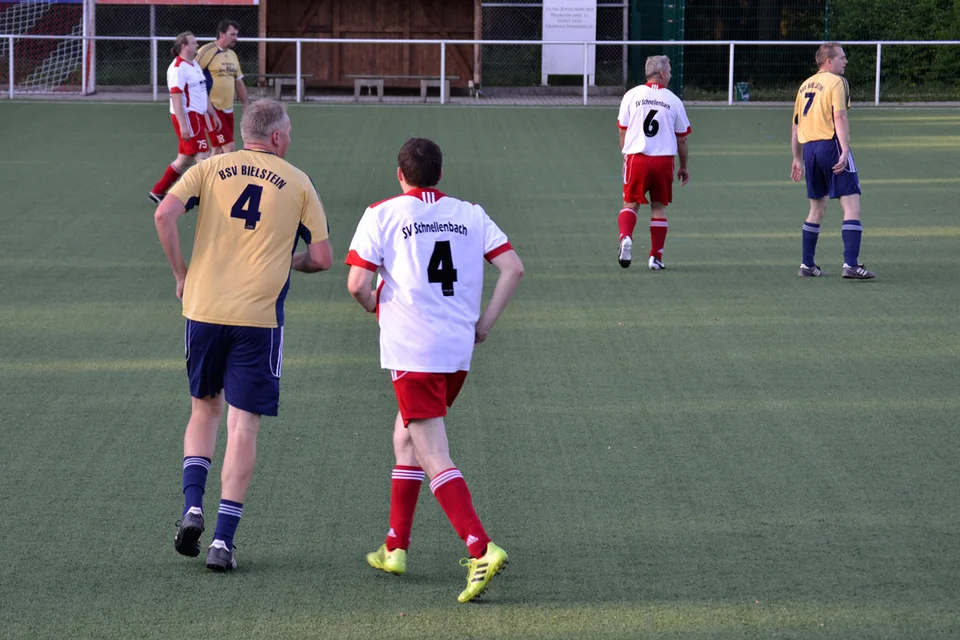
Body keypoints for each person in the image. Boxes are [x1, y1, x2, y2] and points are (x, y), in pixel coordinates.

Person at [154, 99, 333, 572]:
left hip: (204, 308)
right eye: (288, 131)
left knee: (203, 410)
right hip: (258, 318)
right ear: (275, 137)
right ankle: (222, 543)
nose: (290, 138)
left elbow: (163, 215)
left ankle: (192, 505)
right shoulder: (298, 182)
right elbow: (323, 257)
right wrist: (286, 261)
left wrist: (181, 274)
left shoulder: (211, 167)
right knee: (243, 425)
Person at [345, 138, 524, 603]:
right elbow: (514, 269)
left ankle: (481, 547)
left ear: (399, 174)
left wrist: (373, 307)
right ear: (439, 175)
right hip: (456, 350)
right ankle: (395, 547)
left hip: (413, 351)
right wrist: (484, 324)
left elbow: (357, 284)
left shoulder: (382, 213)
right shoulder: (470, 213)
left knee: (432, 451)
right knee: (406, 436)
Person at [791, 42, 875, 279]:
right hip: (831, 144)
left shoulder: (804, 85)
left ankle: (807, 264)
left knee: (816, 207)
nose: (845, 61)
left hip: (809, 149)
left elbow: (796, 125)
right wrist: (845, 149)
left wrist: (797, 157)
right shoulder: (837, 82)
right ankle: (851, 264)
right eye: (842, 57)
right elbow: (839, 115)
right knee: (851, 204)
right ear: (828, 61)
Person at [615, 54, 691, 270]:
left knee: (630, 204)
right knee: (658, 208)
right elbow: (682, 139)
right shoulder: (673, 100)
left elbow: (623, 131)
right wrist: (684, 166)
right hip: (663, 162)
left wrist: (625, 156)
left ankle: (626, 237)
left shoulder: (632, 95)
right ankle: (655, 257)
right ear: (663, 73)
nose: (672, 75)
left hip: (637, 159)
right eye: (670, 71)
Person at [148, 32, 221, 204]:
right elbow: (175, 97)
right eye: (194, 43)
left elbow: (202, 93)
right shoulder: (177, 68)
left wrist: (213, 114)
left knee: (185, 159)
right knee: (204, 157)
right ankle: (206, 196)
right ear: (184, 46)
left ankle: (158, 191)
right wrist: (183, 125)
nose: (197, 45)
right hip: (189, 117)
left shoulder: (193, 65)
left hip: (196, 117)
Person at [196, 19, 248, 155]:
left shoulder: (232, 55)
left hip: (227, 109)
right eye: (233, 34)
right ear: (222, 34)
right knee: (229, 148)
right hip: (211, 109)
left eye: (236, 35)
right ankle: (230, 176)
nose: (236, 38)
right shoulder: (207, 51)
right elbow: (191, 75)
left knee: (218, 149)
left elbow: (239, 81)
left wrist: (246, 104)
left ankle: (208, 176)